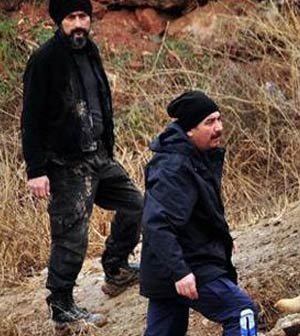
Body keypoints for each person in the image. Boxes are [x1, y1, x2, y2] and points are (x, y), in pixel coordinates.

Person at [20, 0, 142, 328]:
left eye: (82, 17)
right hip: (65, 163)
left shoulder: (90, 50)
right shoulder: (45, 59)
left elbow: (99, 101)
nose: (78, 24)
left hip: (99, 156)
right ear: (60, 21)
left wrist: (108, 147)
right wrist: (36, 170)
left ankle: (116, 269)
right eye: (71, 18)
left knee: (137, 205)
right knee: (71, 236)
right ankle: (62, 308)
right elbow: (30, 118)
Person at [140, 91, 258, 336]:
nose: (219, 128)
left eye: (218, 119)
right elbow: (157, 224)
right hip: (184, 265)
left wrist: (222, 238)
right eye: (209, 122)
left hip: (172, 265)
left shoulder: (194, 156)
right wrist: (180, 272)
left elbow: (197, 212)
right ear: (189, 131)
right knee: (241, 311)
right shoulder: (174, 168)